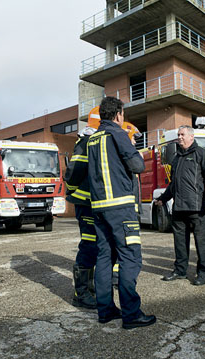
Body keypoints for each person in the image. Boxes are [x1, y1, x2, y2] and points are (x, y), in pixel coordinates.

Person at [87, 96, 156, 329]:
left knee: (104, 258)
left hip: (99, 208)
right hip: (121, 207)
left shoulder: (92, 139)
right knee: (129, 257)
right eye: (123, 115)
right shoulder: (118, 134)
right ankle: (131, 314)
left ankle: (105, 310)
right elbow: (138, 166)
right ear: (118, 115)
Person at [155, 125, 205, 286]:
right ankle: (180, 270)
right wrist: (163, 197)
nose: (179, 137)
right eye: (178, 135)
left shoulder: (202, 153)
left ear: (191, 136)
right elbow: (173, 184)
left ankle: (203, 273)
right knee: (180, 242)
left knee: (202, 243)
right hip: (179, 208)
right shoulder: (176, 158)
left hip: (197, 208)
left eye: (182, 134)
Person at [64, 125, 99, 309]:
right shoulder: (85, 143)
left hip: (92, 204)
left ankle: (89, 289)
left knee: (94, 247)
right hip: (85, 204)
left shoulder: (91, 142)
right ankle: (81, 293)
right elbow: (74, 171)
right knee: (89, 245)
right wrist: (72, 191)